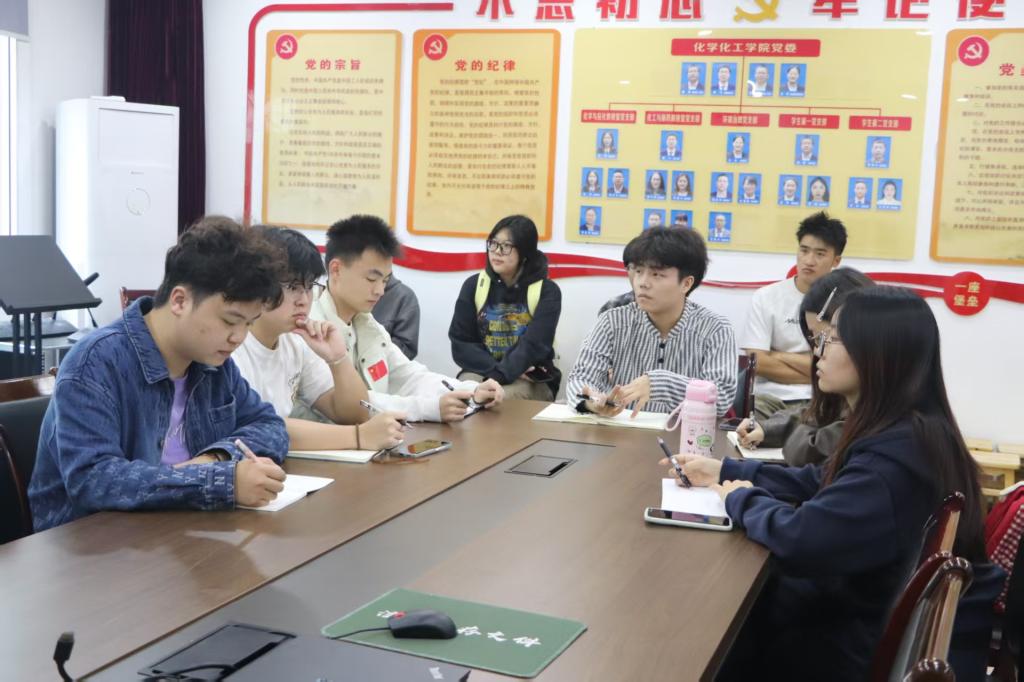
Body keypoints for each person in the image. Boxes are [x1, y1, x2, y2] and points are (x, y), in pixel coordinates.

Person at [666, 286, 1002, 682]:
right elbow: (821, 480)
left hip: (840, 647)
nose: (818, 352)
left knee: (710, 619)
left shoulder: (893, 460)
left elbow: (800, 540)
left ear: (878, 354)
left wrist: (741, 498)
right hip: (853, 618)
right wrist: (725, 470)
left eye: (832, 338)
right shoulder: (908, 430)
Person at [29, 217, 291, 530]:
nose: (239, 337)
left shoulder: (213, 364)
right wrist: (217, 480)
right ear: (180, 300)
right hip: (88, 542)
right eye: (230, 321)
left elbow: (270, 426)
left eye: (249, 323)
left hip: (179, 530)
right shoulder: (96, 362)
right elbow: (94, 480)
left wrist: (214, 459)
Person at [310, 215, 505, 422]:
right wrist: (429, 408)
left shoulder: (367, 324)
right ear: (336, 270)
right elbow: (353, 403)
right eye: (371, 279)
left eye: (385, 280)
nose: (380, 291)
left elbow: (410, 377)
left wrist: (471, 390)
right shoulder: (311, 329)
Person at [232, 226, 405, 452]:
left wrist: (338, 358)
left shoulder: (295, 340)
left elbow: (355, 414)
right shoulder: (232, 347)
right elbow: (261, 427)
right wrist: (359, 436)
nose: (304, 300)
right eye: (293, 287)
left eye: (309, 287)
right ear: (259, 285)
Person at [569, 228, 737, 417]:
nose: (642, 282)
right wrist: (592, 402)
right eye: (639, 271)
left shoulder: (715, 329)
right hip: (621, 429)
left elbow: (721, 399)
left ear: (686, 283)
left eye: (656, 274)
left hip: (683, 431)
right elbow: (580, 377)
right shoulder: (613, 321)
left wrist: (660, 384)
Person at [737, 268, 874, 466]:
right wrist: (768, 429)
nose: (817, 352)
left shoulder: (875, 419)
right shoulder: (851, 398)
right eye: (814, 339)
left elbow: (806, 451)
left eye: (828, 338)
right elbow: (822, 411)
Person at [741, 212, 846, 421]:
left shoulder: (844, 301)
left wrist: (778, 355)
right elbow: (757, 362)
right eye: (804, 250)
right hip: (768, 398)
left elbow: (843, 369)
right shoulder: (766, 297)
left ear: (836, 260)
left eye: (820, 254)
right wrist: (815, 368)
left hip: (823, 398)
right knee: (750, 428)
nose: (809, 260)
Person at [449, 215, 562, 401]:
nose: (496, 252)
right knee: (461, 397)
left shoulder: (547, 291)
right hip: (483, 370)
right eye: (493, 243)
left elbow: (534, 345)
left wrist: (504, 373)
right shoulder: (474, 285)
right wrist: (496, 371)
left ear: (525, 252)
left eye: (506, 246)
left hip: (530, 375)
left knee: (496, 400)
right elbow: (462, 343)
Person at [371, 276, 421, 360]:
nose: (379, 292)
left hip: (380, 365)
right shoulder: (352, 289)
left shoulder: (404, 297)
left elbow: (406, 350)